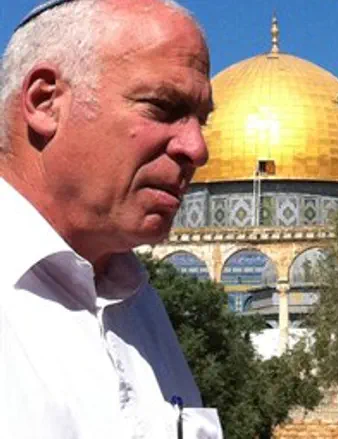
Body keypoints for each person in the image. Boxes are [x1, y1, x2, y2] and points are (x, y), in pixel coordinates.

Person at [0, 0, 221, 437]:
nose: (197, 149)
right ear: (45, 102)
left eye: (201, 120)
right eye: (161, 107)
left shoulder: (138, 307)